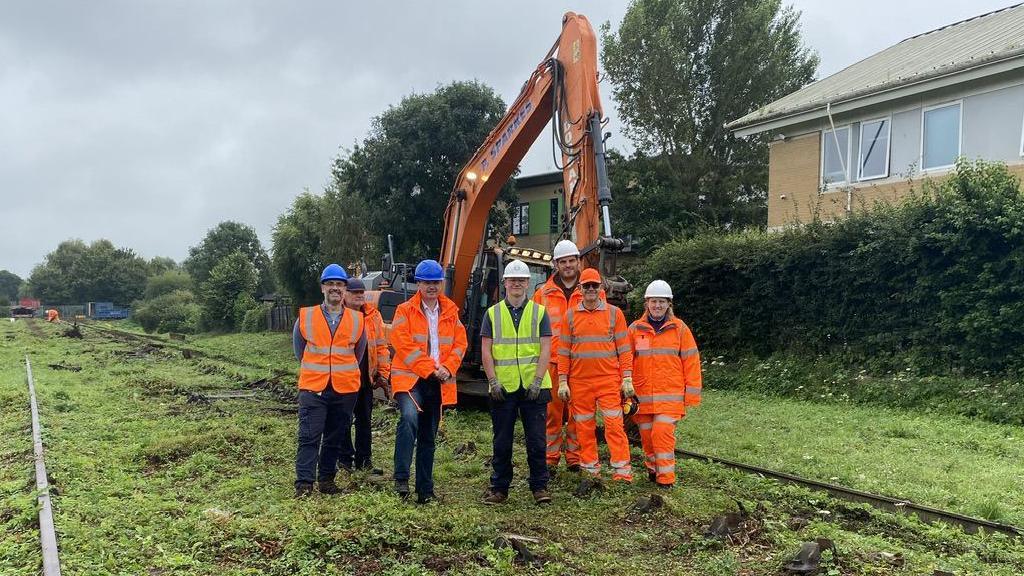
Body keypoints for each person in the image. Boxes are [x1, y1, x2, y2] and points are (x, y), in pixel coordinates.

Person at [388, 259, 467, 504]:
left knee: (428, 437)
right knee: (409, 418)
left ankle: (425, 491)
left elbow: (460, 344)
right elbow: (403, 345)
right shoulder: (404, 311)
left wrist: (448, 367)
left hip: (437, 381)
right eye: (427, 282)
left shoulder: (451, 311)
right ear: (418, 283)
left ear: (441, 283)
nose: (431, 287)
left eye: (435, 282)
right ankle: (401, 478)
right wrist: (431, 369)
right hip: (410, 379)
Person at [480, 260, 553, 505]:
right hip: (504, 387)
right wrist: (492, 381)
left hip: (534, 387)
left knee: (537, 440)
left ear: (528, 284)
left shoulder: (540, 312)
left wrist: (537, 381)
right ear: (505, 284)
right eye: (513, 280)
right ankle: (499, 488)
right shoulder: (492, 313)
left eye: (521, 280)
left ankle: (540, 487)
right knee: (501, 441)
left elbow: (545, 349)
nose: (517, 284)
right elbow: (486, 350)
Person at [557, 267, 634, 495]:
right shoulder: (570, 316)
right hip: (579, 383)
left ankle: (622, 470)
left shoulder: (614, 314)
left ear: (602, 288)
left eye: (595, 285)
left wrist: (627, 377)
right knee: (584, 427)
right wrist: (563, 381)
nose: (591, 290)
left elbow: (624, 348)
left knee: (614, 426)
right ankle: (590, 470)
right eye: (587, 286)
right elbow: (563, 351)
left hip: (608, 381)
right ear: (580, 289)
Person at [292, 264, 367, 498]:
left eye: (340, 284)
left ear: (345, 289)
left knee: (335, 437)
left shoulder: (357, 320)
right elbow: (299, 351)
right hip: (314, 387)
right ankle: (304, 483)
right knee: (309, 436)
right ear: (323, 287)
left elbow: (359, 353)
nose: (335, 288)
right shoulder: (306, 316)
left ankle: (326, 480)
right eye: (331, 284)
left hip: (344, 389)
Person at [628, 280, 702, 488]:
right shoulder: (635, 329)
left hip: (670, 397)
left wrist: (692, 395)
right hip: (642, 397)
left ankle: (666, 478)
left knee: (661, 434)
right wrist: (624, 390)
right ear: (646, 303)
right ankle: (653, 469)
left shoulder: (679, 329)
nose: (657, 306)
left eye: (661, 302)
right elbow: (625, 361)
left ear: (669, 304)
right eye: (653, 301)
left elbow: (691, 361)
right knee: (647, 437)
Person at [532, 239, 586, 476]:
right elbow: (532, 329)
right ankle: (550, 458)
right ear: (555, 264)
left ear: (578, 261)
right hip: (552, 362)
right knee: (551, 415)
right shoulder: (542, 293)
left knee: (578, 414)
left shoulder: (591, 290)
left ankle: (575, 457)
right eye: (562, 262)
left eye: (571, 261)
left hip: (581, 363)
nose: (567, 266)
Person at [339, 277, 391, 477]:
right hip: (343, 378)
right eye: (355, 293)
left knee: (364, 420)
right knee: (343, 420)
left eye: (361, 293)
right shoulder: (339, 315)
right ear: (346, 294)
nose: (359, 296)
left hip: (365, 378)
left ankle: (364, 461)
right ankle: (344, 460)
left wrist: (383, 374)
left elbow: (381, 346)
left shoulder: (373, 315)